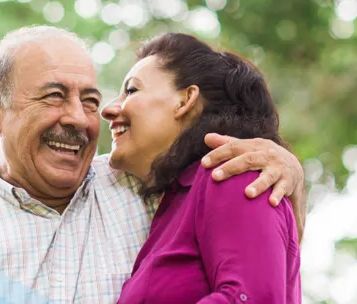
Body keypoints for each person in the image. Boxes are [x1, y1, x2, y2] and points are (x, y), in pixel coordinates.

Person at [0, 26, 306, 303]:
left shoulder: (147, 184)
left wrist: (288, 170)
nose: (83, 117)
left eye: (89, 99)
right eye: (53, 95)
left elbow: (260, 262)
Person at [102, 32, 301, 303]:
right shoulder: (176, 203)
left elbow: (252, 297)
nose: (109, 109)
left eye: (132, 90)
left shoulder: (231, 174)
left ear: (186, 100)